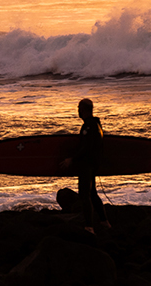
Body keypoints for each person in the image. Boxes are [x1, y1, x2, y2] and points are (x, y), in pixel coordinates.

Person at [61, 98, 109, 233]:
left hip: (86, 164)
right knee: (92, 193)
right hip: (92, 164)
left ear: (83, 110)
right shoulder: (96, 125)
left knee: (84, 194)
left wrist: (72, 159)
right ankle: (104, 221)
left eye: (79, 108)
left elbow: (86, 147)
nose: (78, 111)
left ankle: (89, 227)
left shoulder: (89, 126)